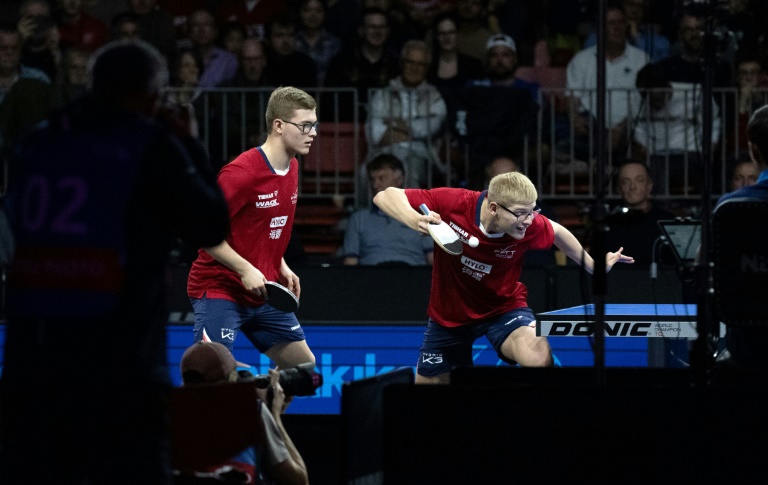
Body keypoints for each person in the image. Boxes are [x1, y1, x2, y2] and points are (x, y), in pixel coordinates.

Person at [0, 39, 230, 485]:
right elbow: (211, 225)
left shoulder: (36, 141)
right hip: (116, 369)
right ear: (151, 95)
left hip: (30, 366)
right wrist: (189, 144)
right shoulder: (149, 143)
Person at [372, 171, 634, 383]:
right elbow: (386, 195)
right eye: (521, 212)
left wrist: (591, 265)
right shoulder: (455, 203)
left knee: (537, 354)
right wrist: (415, 220)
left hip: (503, 309)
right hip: (449, 316)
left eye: (533, 211)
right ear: (495, 207)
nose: (529, 220)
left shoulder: (528, 224)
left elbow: (556, 231)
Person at [186, 86, 317, 372]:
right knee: (211, 370)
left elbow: (265, 225)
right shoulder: (240, 174)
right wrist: (245, 269)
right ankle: (245, 391)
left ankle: (268, 412)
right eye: (305, 125)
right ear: (279, 126)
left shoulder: (292, 167)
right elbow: (202, 230)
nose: (313, 132)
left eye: (314, 125)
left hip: (262, 290)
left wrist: (278, 262)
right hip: (219, 286)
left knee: (304, 369)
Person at [178, 341, 309, 484]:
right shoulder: (250, 410)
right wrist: (274, 417)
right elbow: (299, 481)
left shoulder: (169, 417)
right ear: (230, 379)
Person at [715, 104, 768, 368]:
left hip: (745, 350)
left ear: (753, 150)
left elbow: (708, 266)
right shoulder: (730, 207)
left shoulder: (731, 205)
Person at [564, 4, 648, 163]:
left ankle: (600, 161)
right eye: (611, 23)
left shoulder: (641, 59)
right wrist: (574, 117)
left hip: (629, 129)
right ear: (600, 29)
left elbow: (644, 102)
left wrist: (622, 128)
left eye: (621, 22)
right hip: (591, 129)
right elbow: (572, 97)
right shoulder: (581, 60)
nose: (617, 28)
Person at [365, 39, 448, 189]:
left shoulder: (435, 97)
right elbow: (374, 133)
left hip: (420, 155)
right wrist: (411, 132)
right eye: (410, 62)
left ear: (427, 68)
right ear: (402, 63)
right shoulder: (383, 95)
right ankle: (367, 213)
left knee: (408, 171)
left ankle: (409, 213)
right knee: (364, 173)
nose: (414, 68)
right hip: (384, 154)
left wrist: (394, 125)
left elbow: (430, 128)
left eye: (420, 64)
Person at [342, 153, 434, 266]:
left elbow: (433, 261)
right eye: (372, 179)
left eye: (381, 178)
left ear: (399, 180)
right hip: (371, 279)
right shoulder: (358, 219)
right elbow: (350, 263)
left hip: (410, 279)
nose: (375, 184)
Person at [604, 161, 675, 266]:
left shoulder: (667, 222)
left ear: (649, 186)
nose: (632, 187)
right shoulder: (608, 224)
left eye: (639, 180)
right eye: (625, 182)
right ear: (619, 189)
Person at [187, 8, 238, 88]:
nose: (201, 29)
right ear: (189, 31)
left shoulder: (228, 60)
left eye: (206, 25)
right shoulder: (181, 59)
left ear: (215, 31)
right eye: (196, 25)